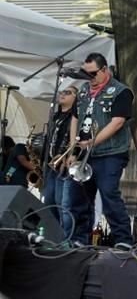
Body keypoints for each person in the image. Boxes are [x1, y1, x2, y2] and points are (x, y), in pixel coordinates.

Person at [68, 53, 134, 247]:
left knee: (108, 193)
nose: (89, 78)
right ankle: (80, 239)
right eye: (85, 74)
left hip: (110, 153)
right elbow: (74, 118)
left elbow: (117, 122)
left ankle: (123, 239)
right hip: (84, 155)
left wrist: (92, 142)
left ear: (105, 70)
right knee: (79, 197)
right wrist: (73, 151)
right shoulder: (82, 91)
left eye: (93, 73)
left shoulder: (121, 91)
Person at [41, 84, 80, 238]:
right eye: (62, 92)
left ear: (76, 98)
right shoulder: (55, 117)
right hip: (50, 165)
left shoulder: (75, 117)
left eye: (68, 92)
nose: (62, 94)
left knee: (62, 204)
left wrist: (68, 155)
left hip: (63, 165)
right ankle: (52, 236)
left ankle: (65, 239)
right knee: (48, 202)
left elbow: (74, 139)